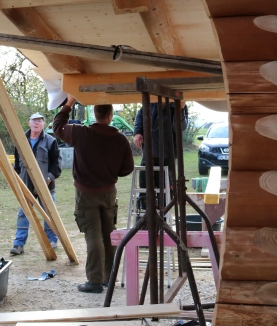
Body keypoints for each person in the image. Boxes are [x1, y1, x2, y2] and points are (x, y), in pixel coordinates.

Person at [53, 95, 134, 293]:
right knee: (109, 233)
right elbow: (127, 169)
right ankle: (109, 277)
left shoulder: (81, 133)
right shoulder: (120, 139)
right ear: (110, 116)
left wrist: (69, 103)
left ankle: (95, 281)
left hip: (85, 193)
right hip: (108, 192)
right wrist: (110, 172)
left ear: (94, 114)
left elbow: (58, 127)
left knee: (93, 235)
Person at [10, 113, 62, 256]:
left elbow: (57, 164)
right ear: (29, 123)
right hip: (26, 187)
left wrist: (49, 178)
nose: (36, 123)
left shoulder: (51, 141)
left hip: (46, 187)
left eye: (39, 121)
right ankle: (18, 245)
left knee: (49, 214)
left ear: (43, 124)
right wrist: (18, 180)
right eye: (34, 120)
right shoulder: (20, 141)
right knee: (23, 215)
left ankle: (52, 241)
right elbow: (17, 164)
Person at [133, 103, 186, 207]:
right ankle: (145, 214)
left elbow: (179, 127)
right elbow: (140, 116)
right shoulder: (150, 103)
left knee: (165, 193)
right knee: (145, 190)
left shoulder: (177, 105)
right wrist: (137, 132)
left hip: (167, 157)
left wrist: (180, 111)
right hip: (148, 155)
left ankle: (163, 215)